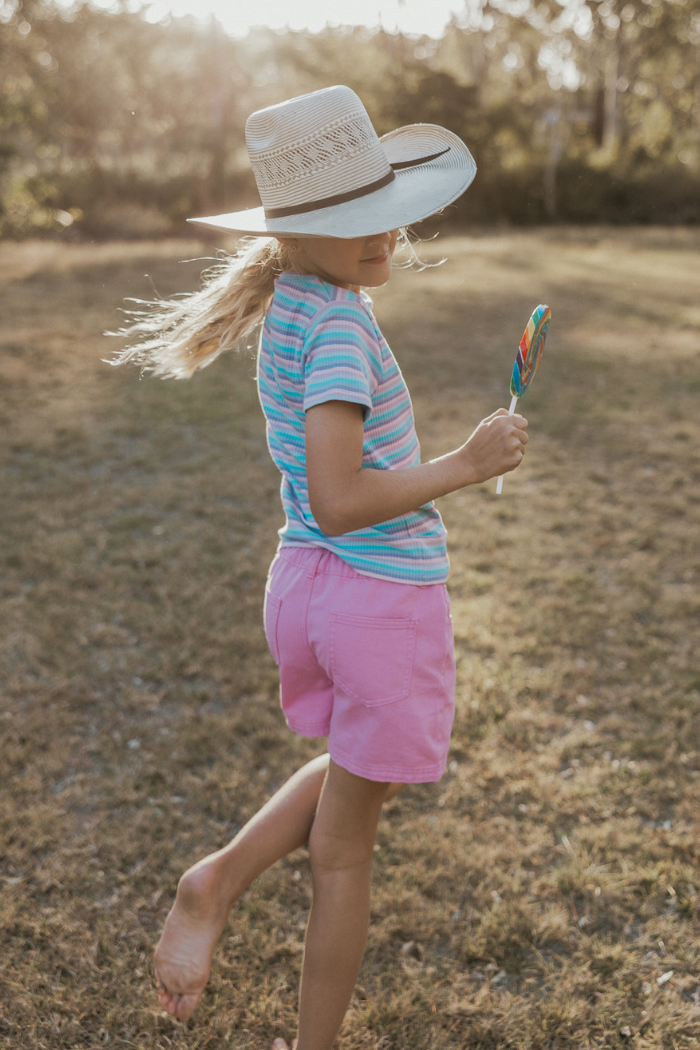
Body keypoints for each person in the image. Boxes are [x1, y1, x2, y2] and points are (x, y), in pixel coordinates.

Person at [110, 85, 528, 1050]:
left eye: (385, 210)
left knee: (350, 773)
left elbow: (323, 496)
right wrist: (465, 465)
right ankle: (263, 959)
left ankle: (217, 878)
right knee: (344, 855)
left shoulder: (295, 304)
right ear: (297, 230)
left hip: (309, 588)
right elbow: (342, 496)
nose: (383, 234)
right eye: (355, 219)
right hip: (377, 596)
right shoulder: (342, 326)